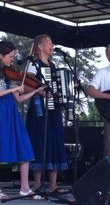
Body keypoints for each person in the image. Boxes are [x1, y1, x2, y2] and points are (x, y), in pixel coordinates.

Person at [0, 40, 44, 200]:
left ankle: (25, 188)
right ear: (0, 56)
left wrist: (35, 91)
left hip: (12, 113)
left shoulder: (10, 74)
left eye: (13, 56)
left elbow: (19, 99)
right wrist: (12, 89)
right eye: (10, 56)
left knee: (24, 147)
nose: (12, 59)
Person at [25, 34, 69, 195]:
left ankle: (53, 184)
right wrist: (40, 92)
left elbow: (58, 86)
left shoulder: (53, 66)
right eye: (49, 43)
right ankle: (37, 184)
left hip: (53, 108)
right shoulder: (32, 65)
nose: (52, 45)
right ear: (40, 47)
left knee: (55, 140)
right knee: (39, 140)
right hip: (38, 107)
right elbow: (26, 85)